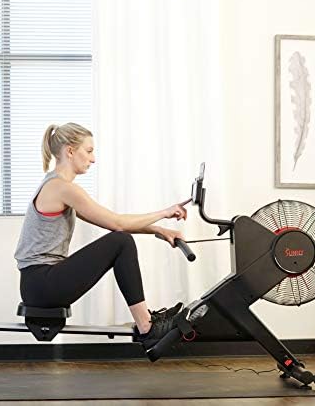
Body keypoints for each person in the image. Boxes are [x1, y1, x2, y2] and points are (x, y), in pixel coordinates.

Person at [14, 122, 188, 348]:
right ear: (70, 151)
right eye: (88, 151)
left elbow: (114, 222)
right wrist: (165, 213)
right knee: (121, 241)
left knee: (120, 240)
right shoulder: (62, 188)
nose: (93, 159)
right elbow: (118, 224)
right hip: (41, 284)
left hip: (38, 283)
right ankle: (147, 326)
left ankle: (146, 321)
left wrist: (159, 230)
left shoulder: (56, 185)